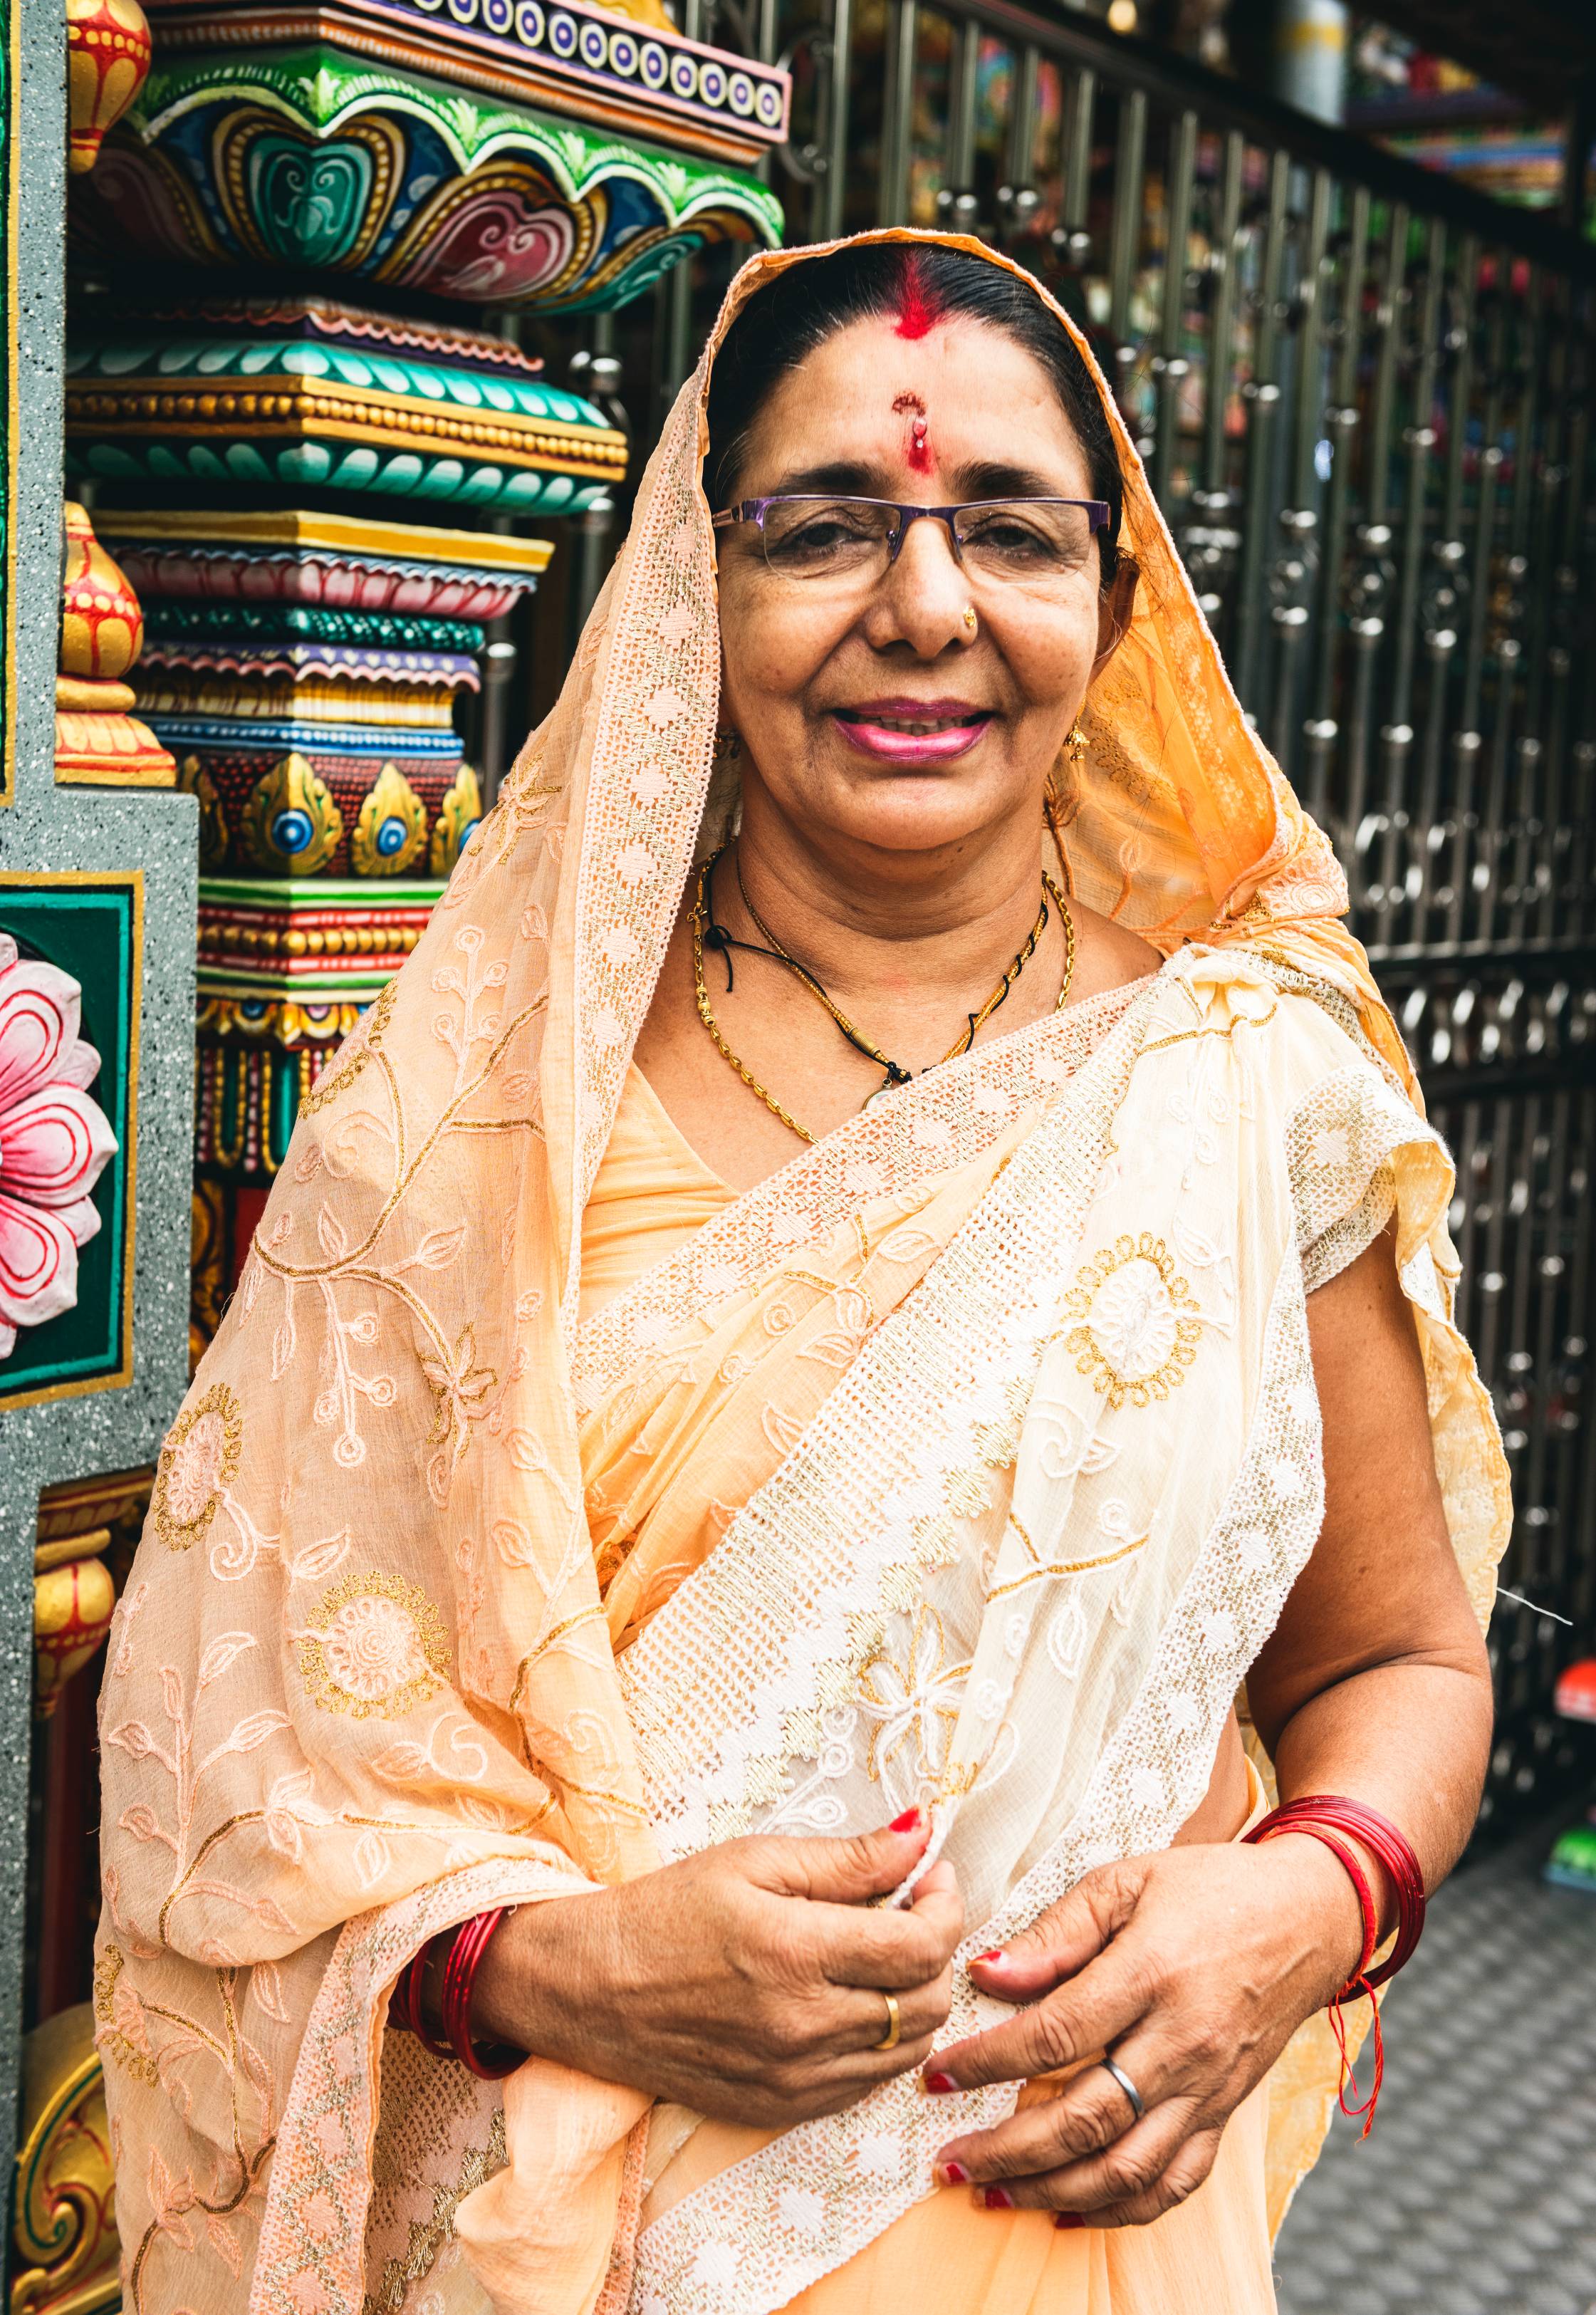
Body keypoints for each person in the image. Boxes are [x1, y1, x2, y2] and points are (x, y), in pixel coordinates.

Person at [97, 232, 1508, 2315]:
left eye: (1008, 531)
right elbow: (242, 1749)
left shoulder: (1244, 1092)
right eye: (824, 527)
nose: (922, 608)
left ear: (1113, 609)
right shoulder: (480, 1123)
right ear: (698, 587)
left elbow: (1392, 1666)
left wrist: (1310, 1902)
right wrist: (543, 1963)